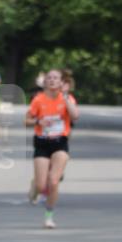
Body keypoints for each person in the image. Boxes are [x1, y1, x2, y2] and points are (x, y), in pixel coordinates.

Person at [25, 69, 79, 228]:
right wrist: (37, 122)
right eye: (49, 78)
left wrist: (66, 98)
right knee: (42, 186)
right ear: (45, 82)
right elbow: (26, 120)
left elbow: (75, 116)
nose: (52, 80)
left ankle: (48, 216)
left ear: (62, 82)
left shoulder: (68, 98)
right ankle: (36, 183)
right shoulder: (38, 99)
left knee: (54, 181)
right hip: (42, 142)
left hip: (60, 142)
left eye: (56, 78)